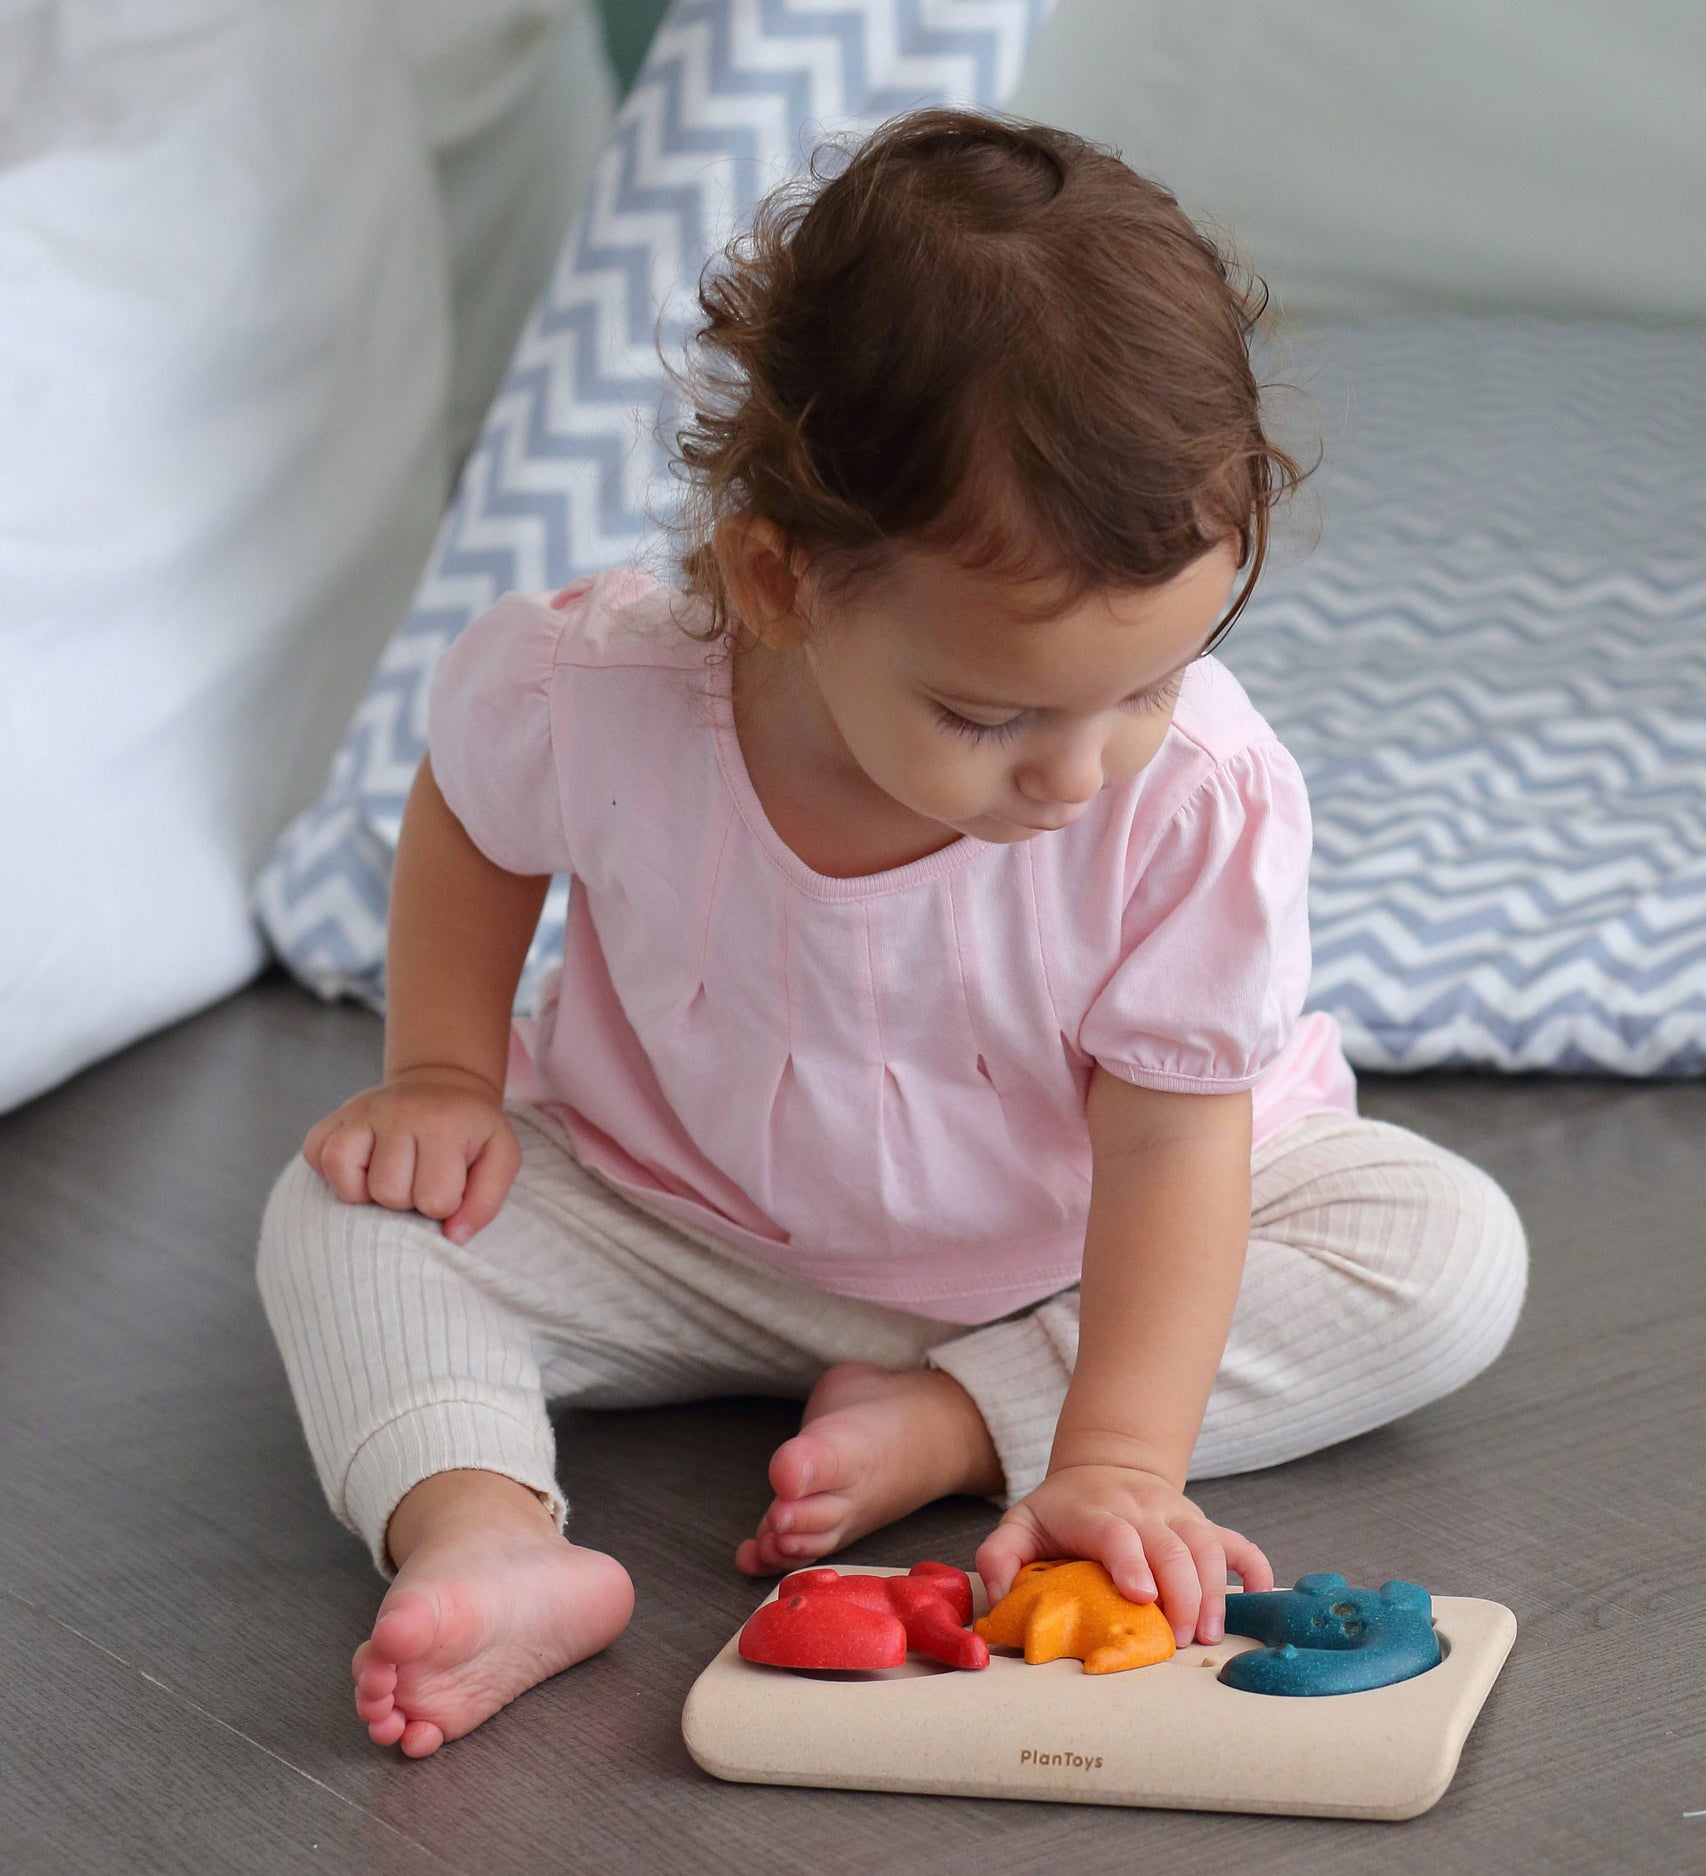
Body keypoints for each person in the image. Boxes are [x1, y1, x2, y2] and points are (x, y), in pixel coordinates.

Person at [257, 107, 1528, 1759]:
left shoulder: (1195, 793)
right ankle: (485, 1533)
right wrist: (436, 1069)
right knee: (343, 1209)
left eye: (1145, 685)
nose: (1076, 775)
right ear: (780, 581)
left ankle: (955, 1418)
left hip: (1079, 1245)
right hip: (681, 1218)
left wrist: (1118, 1461)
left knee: (1445, 1259)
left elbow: (1165, 1150)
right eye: (989, 714)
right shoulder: (598, 695)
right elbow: (474, 820)